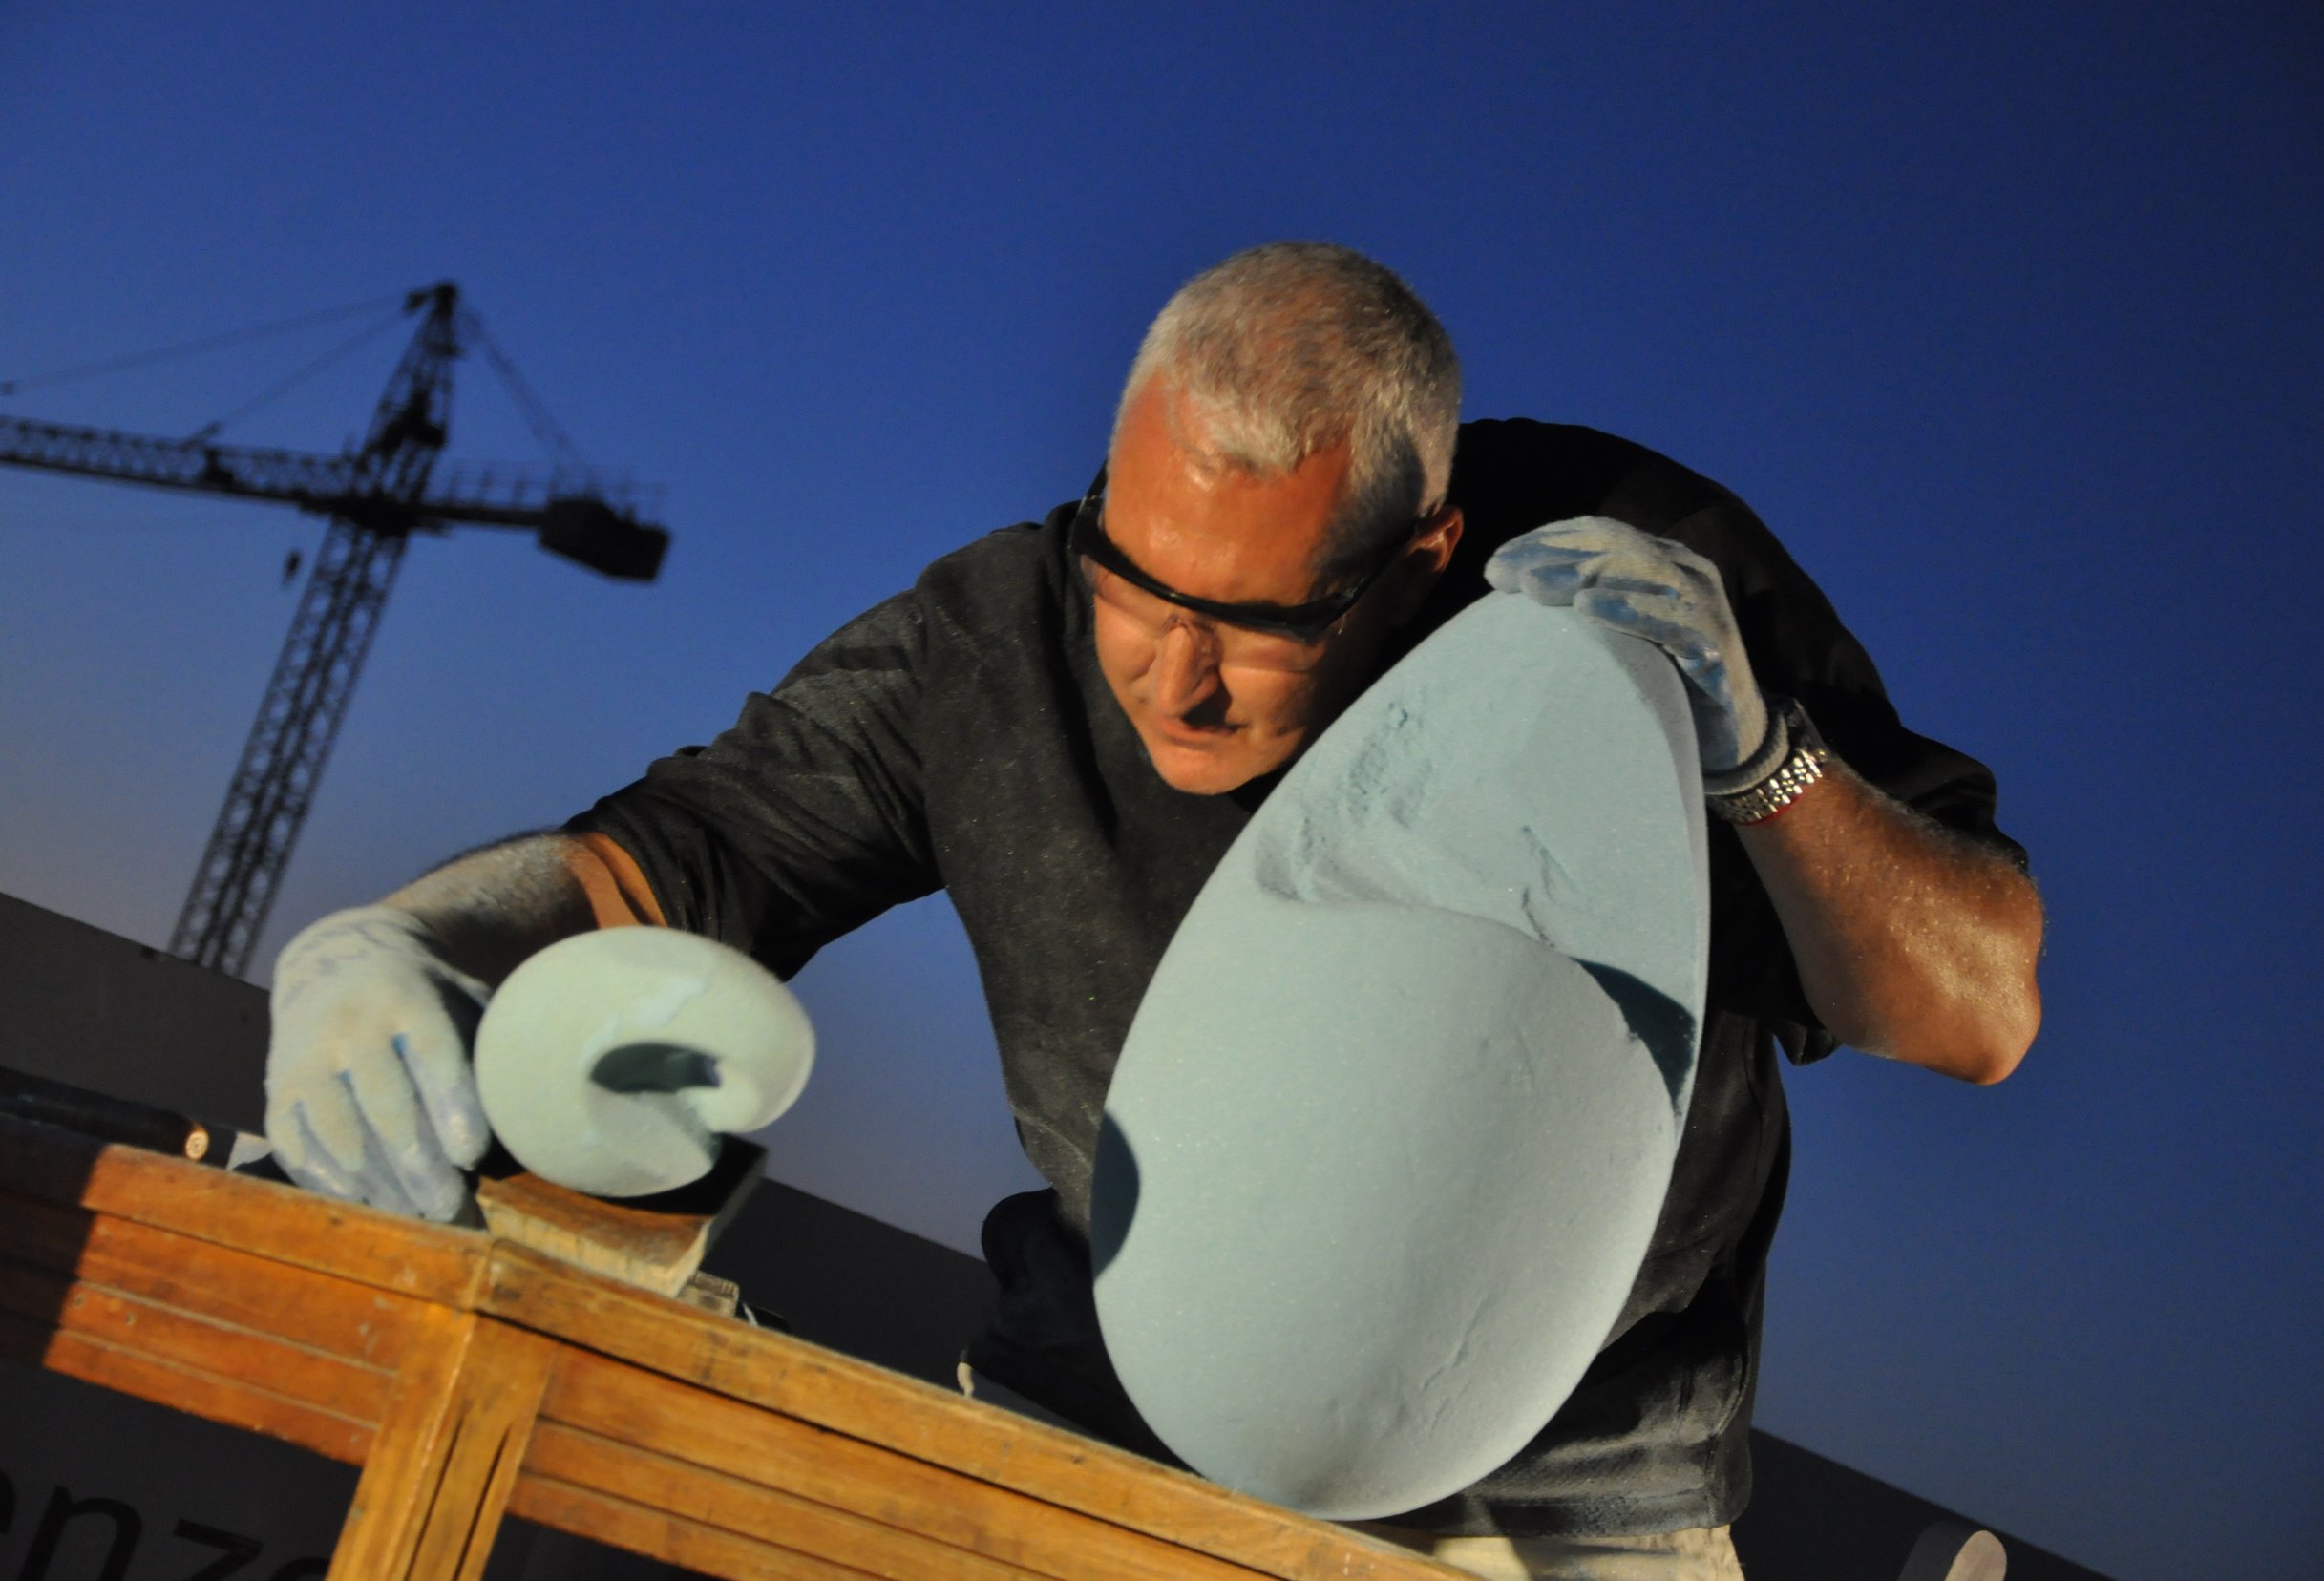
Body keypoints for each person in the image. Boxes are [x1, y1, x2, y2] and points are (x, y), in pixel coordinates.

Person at [263, 242, 2042, 1579]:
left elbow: (1982, 1016)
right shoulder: (1005, 635)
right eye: (1136, 581)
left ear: (1421, 562)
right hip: (1099, 1421)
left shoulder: (1628, 587)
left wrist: (1762, 762)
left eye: (1260, 626)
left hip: (1576, 1509)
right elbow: (665, 859)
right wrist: (408, 941)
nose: (1169, 683)